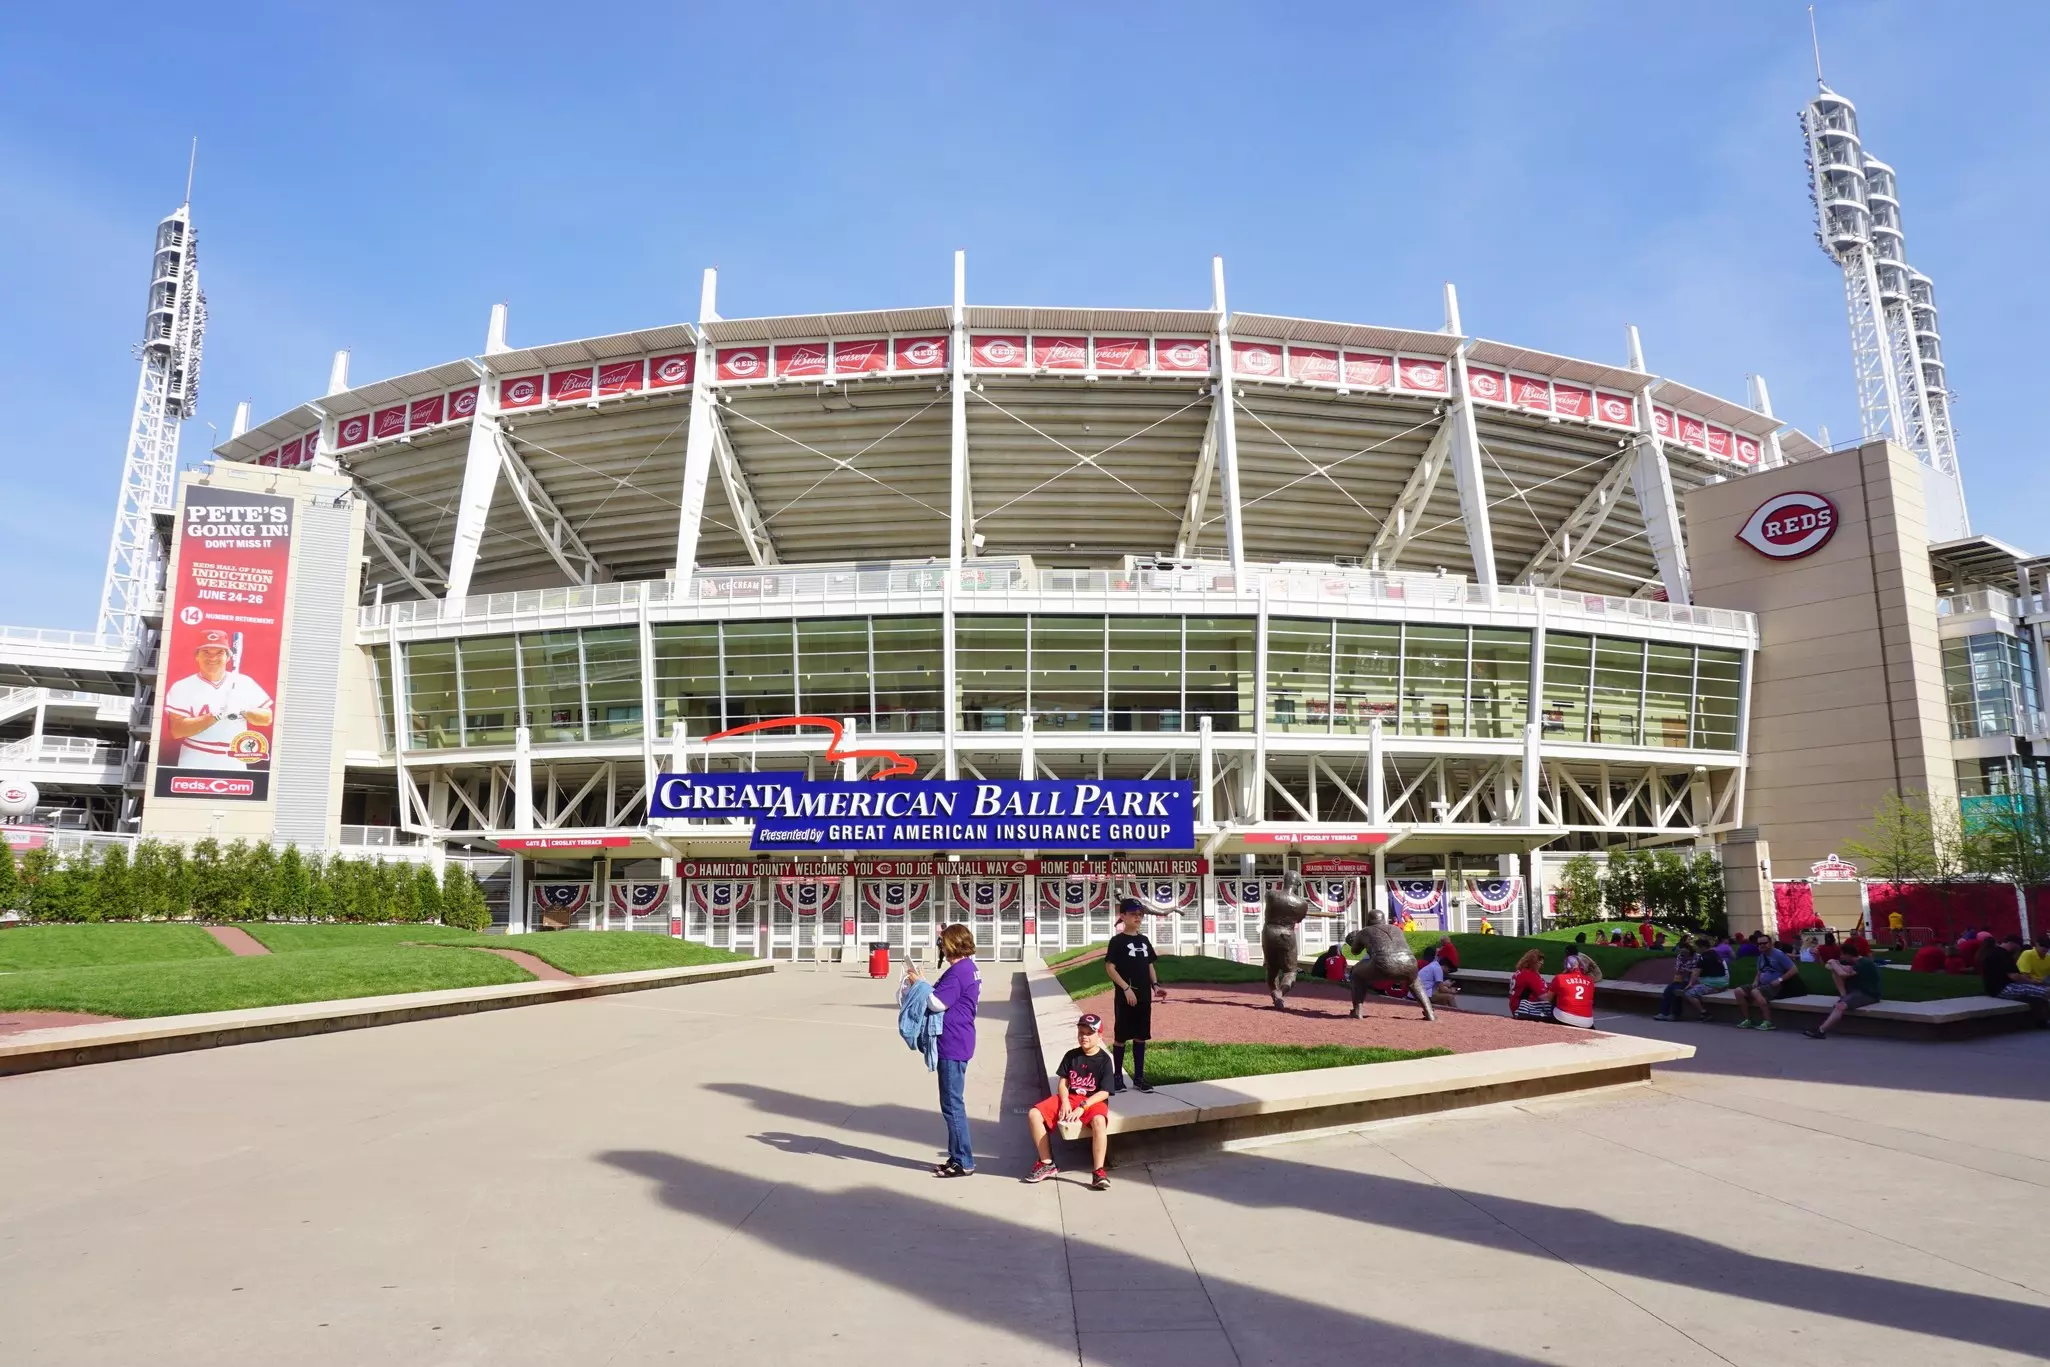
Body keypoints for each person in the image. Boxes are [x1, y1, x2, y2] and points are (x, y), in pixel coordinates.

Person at [908, 923, 981, 1177]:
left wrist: (919, 985)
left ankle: (964, 1161)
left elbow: (937, 1002)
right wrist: (925, 982)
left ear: (951, 945)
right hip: (958, 1040)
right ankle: (956, 1156)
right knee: (952, 1103)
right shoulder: (966, 968)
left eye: (942, 943)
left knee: (952, 1104)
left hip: (953, 1043)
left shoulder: (959, 971)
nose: (940, 947)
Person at [162, 628, 276, 770]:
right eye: (206, 652)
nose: (212, 657)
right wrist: (217, 714)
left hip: (234, 756)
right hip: (196, 755)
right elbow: (177, 730)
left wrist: (243, 710)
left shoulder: (244, 682)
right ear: (196, 656)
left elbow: (267, 718)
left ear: (228, 657)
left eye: (219, 652)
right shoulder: (182, 686)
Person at [1026, 1013, 1116, 1188]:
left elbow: (1104, 1092)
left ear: (1100, 1036)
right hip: (1072, 1097)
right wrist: (1065, 1101)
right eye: (1081, 1032)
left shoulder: (1104, 1060)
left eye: (1089, 1033)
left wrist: (1083, 1107)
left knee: (1099, 1121)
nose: (1084, 1036)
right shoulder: (1071, 1056)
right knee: (1034, 1114)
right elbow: (1063, 1082)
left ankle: (1098, 1172)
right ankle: (1046, 1163)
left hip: (1093, 1101)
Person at [1104, 900, 1163, 1092]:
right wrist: (1125, 988)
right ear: (1122, 916)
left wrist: (1155, 985)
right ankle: (1118, 1078)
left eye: (1140, 914)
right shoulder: (1117, 941)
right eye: (1133, 913)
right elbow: (1110, 967)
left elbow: (1149, 964)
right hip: (1125, 997)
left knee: (1140, 1037)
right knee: (1121, 1036)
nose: (1138, 917)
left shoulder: (1144, 940)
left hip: (1144, 997)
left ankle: (1139, 1078)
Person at [1805, 941, 1883, 1038]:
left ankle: (1821, 1031)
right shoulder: (1850, 962)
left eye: (1842, 955)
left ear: (1848, 954)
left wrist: (1836, 965)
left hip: (1868, 994)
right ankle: (1843, 996)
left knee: (1840, 1006)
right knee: (1835, 971)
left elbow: (1842, 974)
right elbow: (1828, 965)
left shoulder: (1864, 963)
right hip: (1854, 992)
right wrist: (1838, 965)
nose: (1841, 957)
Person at [1733, 931, 1800, 1030]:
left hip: (1775, 985)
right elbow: (1760, 972)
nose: (1762, 946)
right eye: (1759, 944)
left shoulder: (1778, 954)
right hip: (1761, 984)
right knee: (1738, 991)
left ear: (1770, 943)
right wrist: (1755, 981)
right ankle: (1748, 1020)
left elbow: (1794, 969)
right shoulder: (1761, 957)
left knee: (1755, 992)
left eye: (1764, 943)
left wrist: (1780, 979)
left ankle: (1768, 1022)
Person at [1982, 934, 2050, 1027]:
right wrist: (2032, 982)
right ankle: (2043, 1021)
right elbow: (2015, 976)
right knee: (2044, 991)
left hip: (1996, 987)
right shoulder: (2003, 955)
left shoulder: (1995, 952)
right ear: (2012, 944)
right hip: (2002, 988)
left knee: (2038, 995)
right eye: (2017, 947)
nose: (2018, 950)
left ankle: (2043, 1020)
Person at [1678, 942, 1731, 1020]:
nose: (1696, 949)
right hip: (1724, 983)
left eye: (1697, 947)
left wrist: (1690, 984)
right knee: (1697, 988)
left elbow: (1696, 971)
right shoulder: (1715, 954)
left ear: (1703, 947)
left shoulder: (1703, 957)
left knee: (1689, 993)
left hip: (1713, 985)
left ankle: (1704, 1013)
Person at [1654, 937, 1701, 1021]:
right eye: (1681, 952)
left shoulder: (1697, 957)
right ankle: (1663, 1013)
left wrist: (1686, 970)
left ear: (1689, 950)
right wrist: (1679, 970)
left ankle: (1676, 1014)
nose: (1683, 954)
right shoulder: (1680, 956)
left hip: (1692, 980)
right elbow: (1678, 968)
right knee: (1668, 990)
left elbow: (1696, 971)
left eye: (1684, 952)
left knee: (1677, 991)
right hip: (1680, 978)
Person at [1549, 952, 1597, 1028]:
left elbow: (1548, 998)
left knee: (1553, 1002)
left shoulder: (1559, 978)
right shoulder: (1590, 981)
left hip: (1565, 1018)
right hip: (1587, 1021)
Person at [1508, 948, 1551, 1021]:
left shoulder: (1519, 972)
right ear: (1535, 962)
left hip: (1516, 1005)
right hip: (1524, 1008)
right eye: (1540, 964)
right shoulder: (1530, 975)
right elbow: (1544, 998)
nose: (1541, 966)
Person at [1414, 944, 1458, 1011]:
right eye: (1448, 969)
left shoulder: (1434, 965)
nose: (1448, 971)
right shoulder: (1438, 970)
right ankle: (1457, 1013)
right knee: (1450, 997)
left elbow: (1438, 986)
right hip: (1424, 994)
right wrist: (1451, 991)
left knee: (1443, 999)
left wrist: (1446, 987)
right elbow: (1442, 989)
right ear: (1445, 966)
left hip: (1420, 991)